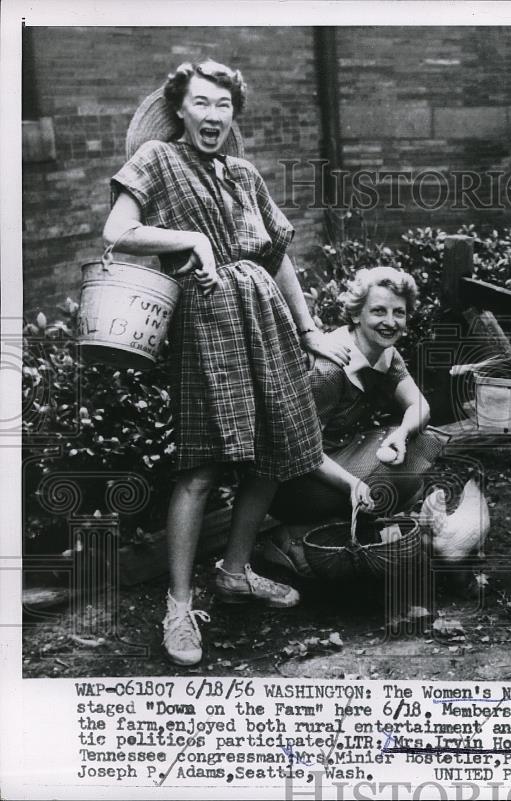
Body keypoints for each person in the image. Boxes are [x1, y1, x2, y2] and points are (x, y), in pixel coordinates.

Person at [104, 60, 348, 666]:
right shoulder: (157, 160)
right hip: (204, 322)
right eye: (202, 104)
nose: (213, 116)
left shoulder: (242, 173)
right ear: (180, 109)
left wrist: (310, 330)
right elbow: (117, 230)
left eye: (223, 105)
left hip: (263, 319)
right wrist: (189, 240)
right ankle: (180, 606)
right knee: (202, 467)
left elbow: (278, 259)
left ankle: (235, 571)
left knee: (275, 451)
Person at [265, 266, 444, 577]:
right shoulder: (331, 369)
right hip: (296, 479)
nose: (390, 322)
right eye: (378, 311)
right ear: (357, 314)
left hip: (339, 455)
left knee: (418, 441)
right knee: (393, 473)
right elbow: (300, 449)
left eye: (398, 312)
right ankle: (292, 535)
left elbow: (420, 406)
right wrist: (353, 483)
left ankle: (335, 528)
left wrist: (401, 433)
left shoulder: (386, 355)